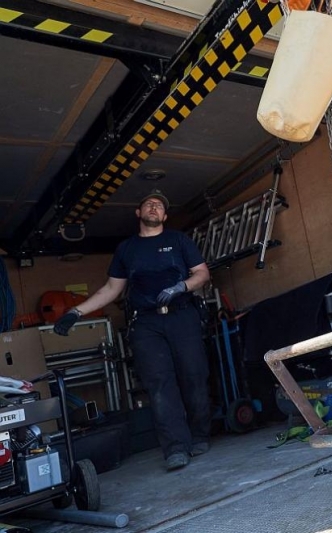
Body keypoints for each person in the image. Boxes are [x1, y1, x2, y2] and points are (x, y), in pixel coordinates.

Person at [54, 189, 212, 472]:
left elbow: (202, 273)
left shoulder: (178, 240)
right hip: (146, 323)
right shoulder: (127, 249)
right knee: (159, 385)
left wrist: (181, 287)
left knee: (194, 376)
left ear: (164, 216)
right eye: (148, 204)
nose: (154, 207)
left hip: (181, 316)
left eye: (159, 206)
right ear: (138, 213)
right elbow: (112, 289)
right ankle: (175, 448)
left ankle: (200, 434)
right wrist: (75, 312)